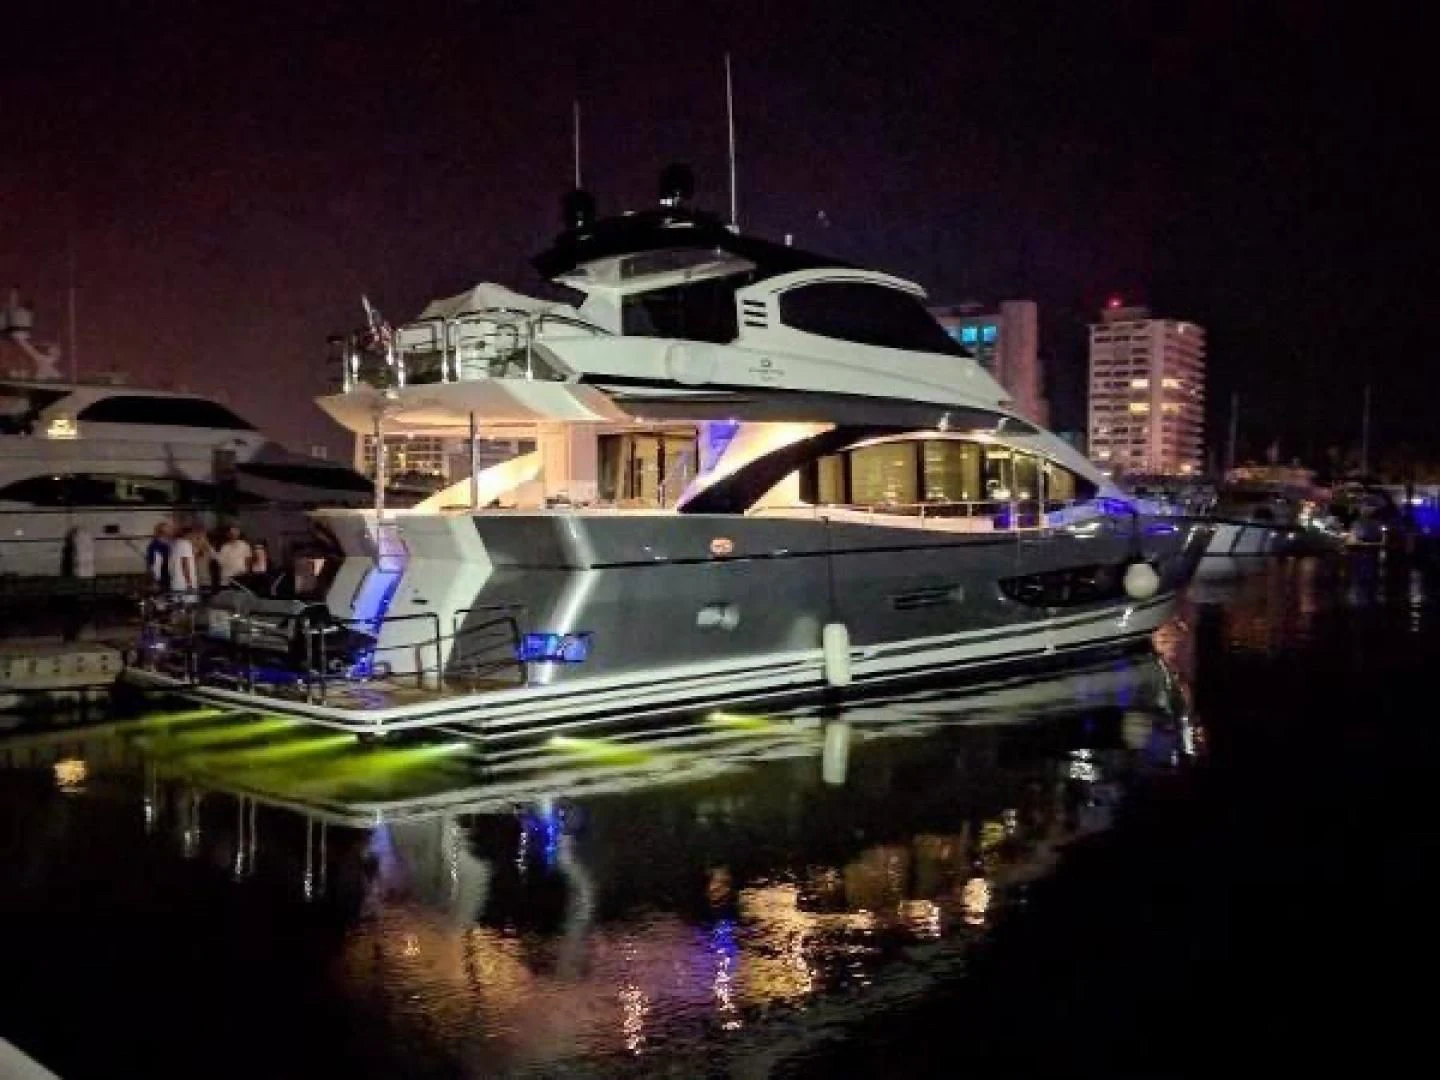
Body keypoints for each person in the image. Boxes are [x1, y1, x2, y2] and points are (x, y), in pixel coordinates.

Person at [168, 524, 200, 603]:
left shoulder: (175, 544)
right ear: (189, 534)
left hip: (177, 581)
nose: (195, 537)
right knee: (188, 606)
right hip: (184, 583)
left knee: (178, 605)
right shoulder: (185, 544)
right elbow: (185, 564)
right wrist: (189, 583)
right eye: (194, 535)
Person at [145, 521, 173, 594]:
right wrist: (156, 581)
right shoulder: (156, 546)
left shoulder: (167, 544)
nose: (172, 531)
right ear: (163, 533)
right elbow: (155, 565)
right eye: (169, 529)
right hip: (163, 578)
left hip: (168, 576)